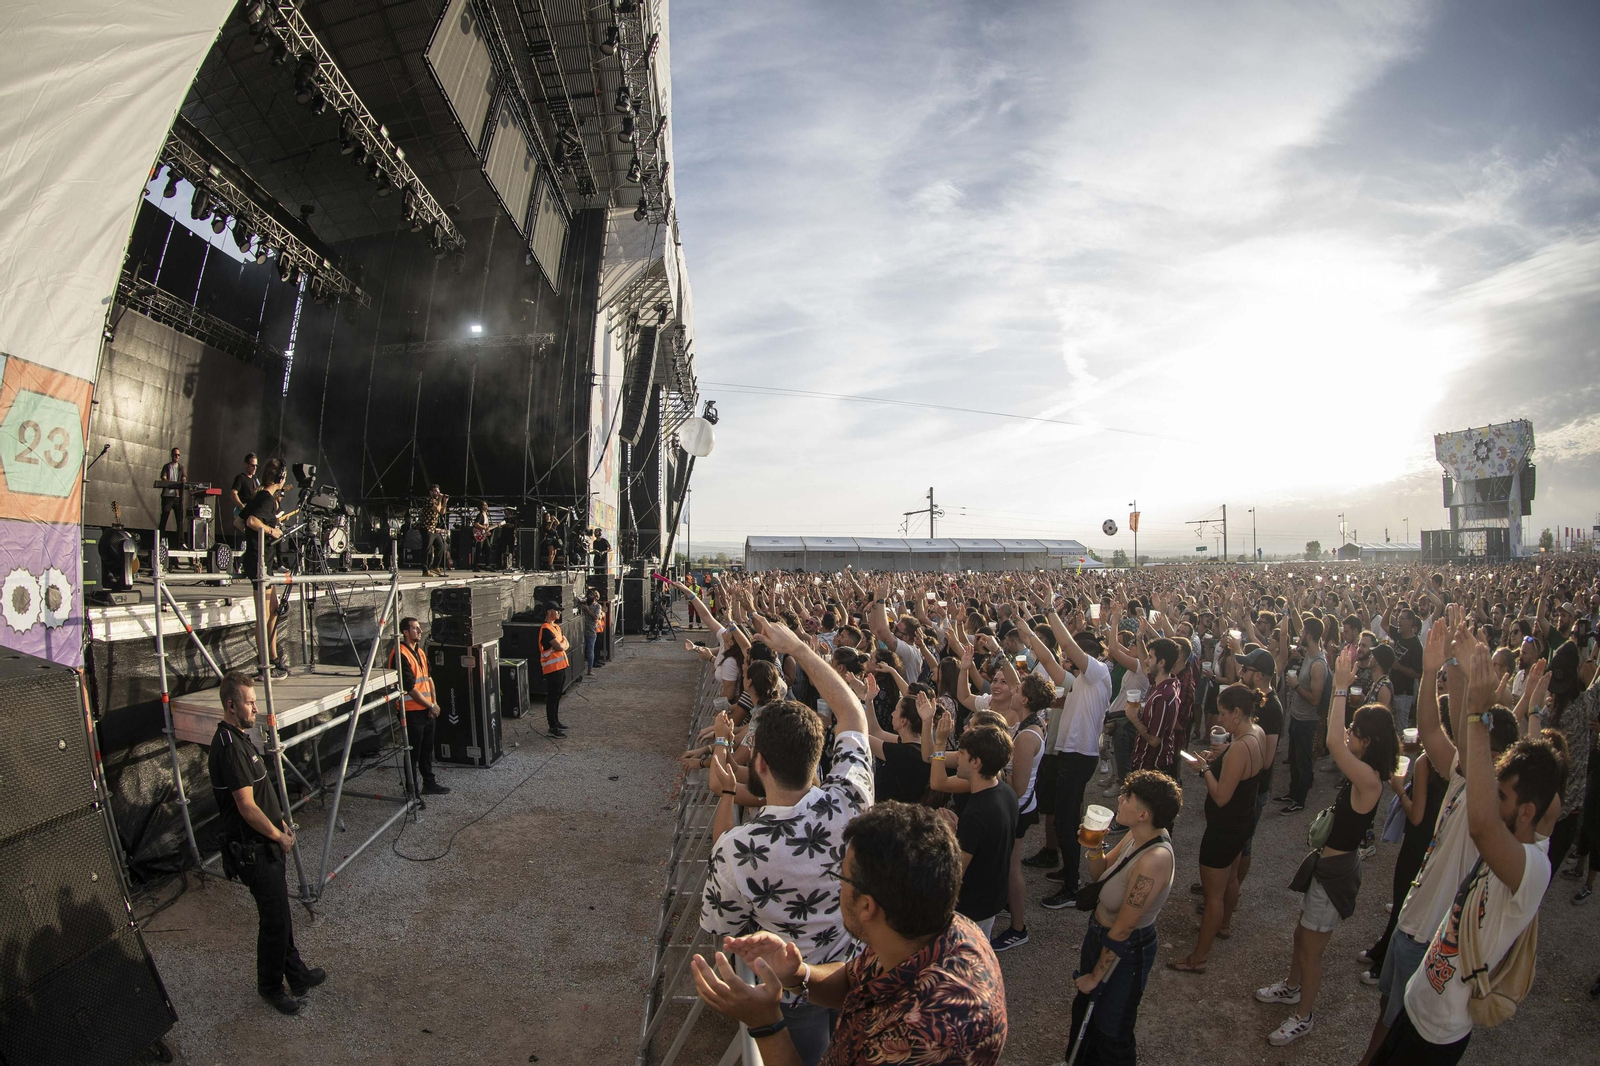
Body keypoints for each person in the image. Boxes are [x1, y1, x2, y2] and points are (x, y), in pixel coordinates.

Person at [693, 801, 1007, 1066]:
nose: (838, 886)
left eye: (841, 876)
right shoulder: (932, 930)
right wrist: (797, 974)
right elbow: (855, 982)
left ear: (868, 906)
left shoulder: (922, 1037)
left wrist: (765, 1023)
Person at [1373, 640, 1565, 1064]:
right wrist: (1449, 673)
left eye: (1500, 794)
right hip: (1421, 996)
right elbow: (1448, 731)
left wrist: (1482, 714)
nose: (1488, 795)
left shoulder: (1532, 867)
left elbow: (1485, 823)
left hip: (1440, 1031)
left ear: (1527, 812)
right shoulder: (1510, 822)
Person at [699, 618, 875, 1066]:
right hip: (860, 976)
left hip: (791, 999)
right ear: (818, 756)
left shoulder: (736, 850)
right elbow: (852, 712)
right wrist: (798, 648)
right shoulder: (851, 801)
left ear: (758, 764)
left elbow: (722, 928)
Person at [1355, 609, 1523, 1066]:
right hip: (1412, 921)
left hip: (1431, 938)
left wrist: (1476, 704)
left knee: (1395, 1029)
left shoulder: (1489, 811)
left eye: (1474, 740)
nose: (1461, 744)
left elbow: (1456, 731)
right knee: (1386, 1015)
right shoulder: (1465, 777)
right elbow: (1430, 732)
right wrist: (1435, 671)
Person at [1255, 647, 1396, 1046]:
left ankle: (1304, 1015)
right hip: (1327, 866)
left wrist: (1340, 688)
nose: (1348, 734)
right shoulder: (1366, 770)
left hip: (1335, 874)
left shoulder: (1368, 778)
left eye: (1355, 731)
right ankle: (1292, 987)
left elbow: (1332, 739)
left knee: (1314, 949)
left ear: (1367, 742)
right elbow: (1339, 738)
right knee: (1303, 935)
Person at [208, 671, 325, 1014]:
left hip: (267, 845)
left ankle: (298, 974)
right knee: (273, 921)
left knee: (281, 915)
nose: (255, 708)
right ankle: (271, 987)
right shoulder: (229, 749)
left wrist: (281, 824)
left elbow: (260, 793)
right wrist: (277, 836)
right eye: (249, 702)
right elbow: (246, 806)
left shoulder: (240, 738)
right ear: (231, 706)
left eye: (255, 701)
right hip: (254, 851)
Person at [1069, 770, 1180, 1066]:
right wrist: (1094, 847)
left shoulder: (1154, 860)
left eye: (1127, 796)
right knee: (1085, 1013)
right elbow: (1101, 874)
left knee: (1112, 1031)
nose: (1120, 798)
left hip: (1126, 950)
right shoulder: (1135, 834)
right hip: (1100, 936)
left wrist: (1096, 975)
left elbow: (1124, 927)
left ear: (1143, 814)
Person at [1169, 683, 1266, 973]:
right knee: (1232, 878)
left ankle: (1198, 957)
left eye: (1223, 714)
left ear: (1237, 712)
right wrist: (1217, 761)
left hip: (1223, 829)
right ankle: (1224, 926)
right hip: (1242, 822)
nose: (1219, 720)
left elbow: (1221, 796)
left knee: (1213, 896)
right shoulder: (1255, 734)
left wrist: (1205, 770)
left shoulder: (1238, 747)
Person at [1043, 613, 1114, 909]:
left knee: (1068, 820)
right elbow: (1050, 662)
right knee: (1066, 817)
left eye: (1073, 658)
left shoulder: (1097, 671)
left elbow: (1067, 644)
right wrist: (1029, 636)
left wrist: (1050, 610)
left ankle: (1073, 887)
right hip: (1071, 754)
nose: (1068, 661)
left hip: (1079, 755)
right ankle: (1068, 871)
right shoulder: (1081, 681)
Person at [937, 724, 1017, 938]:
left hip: (971, 910)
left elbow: (955, 873)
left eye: (961, 754)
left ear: (976, 762)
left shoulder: (977, 813)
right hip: (991, 901)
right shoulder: (1006, 792)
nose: (957, 759)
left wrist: (951, 834)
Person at [388, 617, 450, 799]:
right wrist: (430, 704)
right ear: (405, 632)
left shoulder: (420, 652)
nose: (420, 631)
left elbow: (428, 678)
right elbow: (410, 687)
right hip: (411, 711)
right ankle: (411, 791)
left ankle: (428, 783)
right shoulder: (400, 654)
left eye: (419, 627)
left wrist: (434, 704)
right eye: (415, 628)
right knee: (412, 753)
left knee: (426, 750)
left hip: (426, 710)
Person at [240, 458, 290, 678]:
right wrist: (271, 531)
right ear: (280, 477)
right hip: (259, 564)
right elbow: (251, 521)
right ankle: (265, 666)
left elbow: (237, 522)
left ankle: (273, 658)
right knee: (264, 616)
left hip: (264, 561)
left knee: (272, 612)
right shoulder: (266, 498)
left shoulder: (261, 496)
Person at [1281, 616, 1328, 813]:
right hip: (1296, 716)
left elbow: (1315, 699)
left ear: (1309, 635)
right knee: (1294, 758)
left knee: (1303, 762)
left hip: (1307, 721)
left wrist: (1296, 685)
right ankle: (1292, 793)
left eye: (1302, 633)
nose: (1299, 635)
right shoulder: (1308, 654)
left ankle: (1299, 800)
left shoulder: (1318, 663)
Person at [539, 602, 570, 737]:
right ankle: (552, 726)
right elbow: (560, 646)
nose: (559, 613)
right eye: (557, 611)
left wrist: (562, 645)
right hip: (552, 669)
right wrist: (562, 645)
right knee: (552, 698)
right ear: (549, 611)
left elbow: (565, 643)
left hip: (561, 667)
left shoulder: (556, 627)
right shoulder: (546, 629)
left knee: (557, 696)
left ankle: (556, 722)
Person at [228, 452, 259, 553]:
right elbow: (233, 493)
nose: (254, 468)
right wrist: (242, 506)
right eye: (252, 465)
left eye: (256, 466)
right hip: (243, 512)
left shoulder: (255, 480)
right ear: (246, 464)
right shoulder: (241, 478)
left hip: (251, 512)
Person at [158, 445, 187, 547]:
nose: (177, 457)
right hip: (167, 496)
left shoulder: (181, 468)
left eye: (178, 455)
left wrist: (182, 481)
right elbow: (164, 477)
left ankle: (181, 542)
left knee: (180, 520)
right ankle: (160, 540)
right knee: (164, 518)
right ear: (171, 455)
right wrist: (168, 483)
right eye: (175, 455)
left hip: (177, 497)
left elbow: (184, 477)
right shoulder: (167, 466)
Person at [420, 485, 449, 576]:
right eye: (436, 491)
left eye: (438, 491)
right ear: (431, 492)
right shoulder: (428, 500)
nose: (437, 493)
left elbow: (442, 511)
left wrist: (444, 502)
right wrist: (440, 499)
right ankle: (425, 570)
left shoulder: (436, 501)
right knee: (426, 549)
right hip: (426, 527)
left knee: (441, 545)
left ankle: (435, 565)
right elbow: (436, 509)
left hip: (434, 529)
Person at [579, 587, 603, 676]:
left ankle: (590, 669)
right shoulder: (585, 604)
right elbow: (576, 600)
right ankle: (580, 669)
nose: (589, 596)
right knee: (581, 651)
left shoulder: (597, 606)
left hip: (591, 632)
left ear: (596, 597)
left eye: (592, 595)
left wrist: (587, 610)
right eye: (589, 594)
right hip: (582, 632)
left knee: (590, 651)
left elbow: (596, 617)